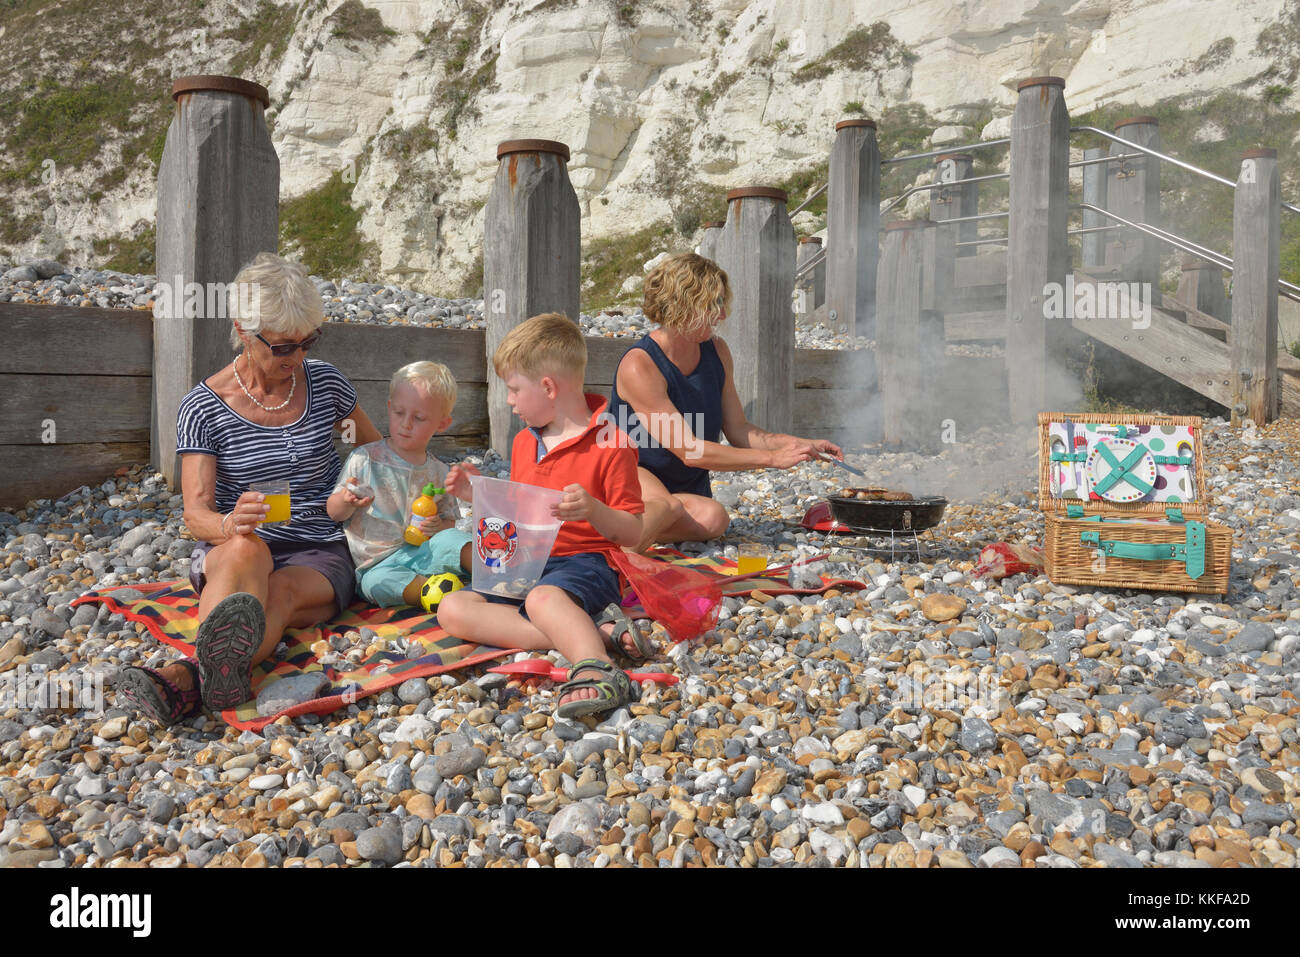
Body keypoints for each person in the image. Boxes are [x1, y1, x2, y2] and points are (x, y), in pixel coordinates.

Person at [115, 253, 382, 724]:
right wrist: (228, 522)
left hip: (317, 547)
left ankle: (186, 679)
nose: (296, 358)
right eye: (282, 347)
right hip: (239, 543)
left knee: (276, 594)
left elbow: (376, 455)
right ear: (243, 329)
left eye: (307, 343)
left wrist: (363, 490)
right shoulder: (204, 407)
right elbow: (195, 514)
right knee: (245, 552)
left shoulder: (325, 385)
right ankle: (216, 675)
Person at [437, 313, 653, 719]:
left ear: (549, 387)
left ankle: (598, 668)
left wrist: (592, 508)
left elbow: (632, 530)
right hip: (530, 562)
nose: (509, 400)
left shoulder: (612, 442)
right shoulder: (523, 442)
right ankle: (591, 630)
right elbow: (516, 522)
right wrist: (478, 494)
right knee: (451, 608)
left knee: (542, 598)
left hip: (586, 565)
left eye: (515, 388)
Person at [606, 252, 844, 551]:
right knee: (663, 505)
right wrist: (771, 460)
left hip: (684, 484)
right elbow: (690, 450)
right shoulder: (640, 365)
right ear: (683, 305)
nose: (722, 315)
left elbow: (738, 429)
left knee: (714, 519)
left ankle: (620, 527)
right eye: (713, 304)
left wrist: (796, 445)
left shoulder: (716, 351)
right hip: (633, 472)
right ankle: (614, 547)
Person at [327, 361, 473, 607]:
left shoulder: (439, 471)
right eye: (399, 413)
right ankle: (438, 595)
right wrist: (345, 501)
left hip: (424, 555)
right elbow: (333, 513)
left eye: (419, 418)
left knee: (453, 540)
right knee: (378, 584)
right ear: (389, 408)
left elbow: (450, 523)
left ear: (442, 424)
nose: (406, 424)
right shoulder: (365, 458)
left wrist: (438, 526)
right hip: (376, 564)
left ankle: (495, 574)